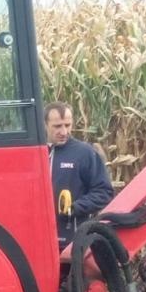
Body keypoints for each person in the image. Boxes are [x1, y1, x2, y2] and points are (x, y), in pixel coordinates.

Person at [46, 101, 113, 249]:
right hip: (41, 241)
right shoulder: (35, 154)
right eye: (57, 126)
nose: (64, 132)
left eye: (67, 125)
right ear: (44, 125)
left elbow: (104, 192)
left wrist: (75, 207)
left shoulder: (84, 153)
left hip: (72, 242)